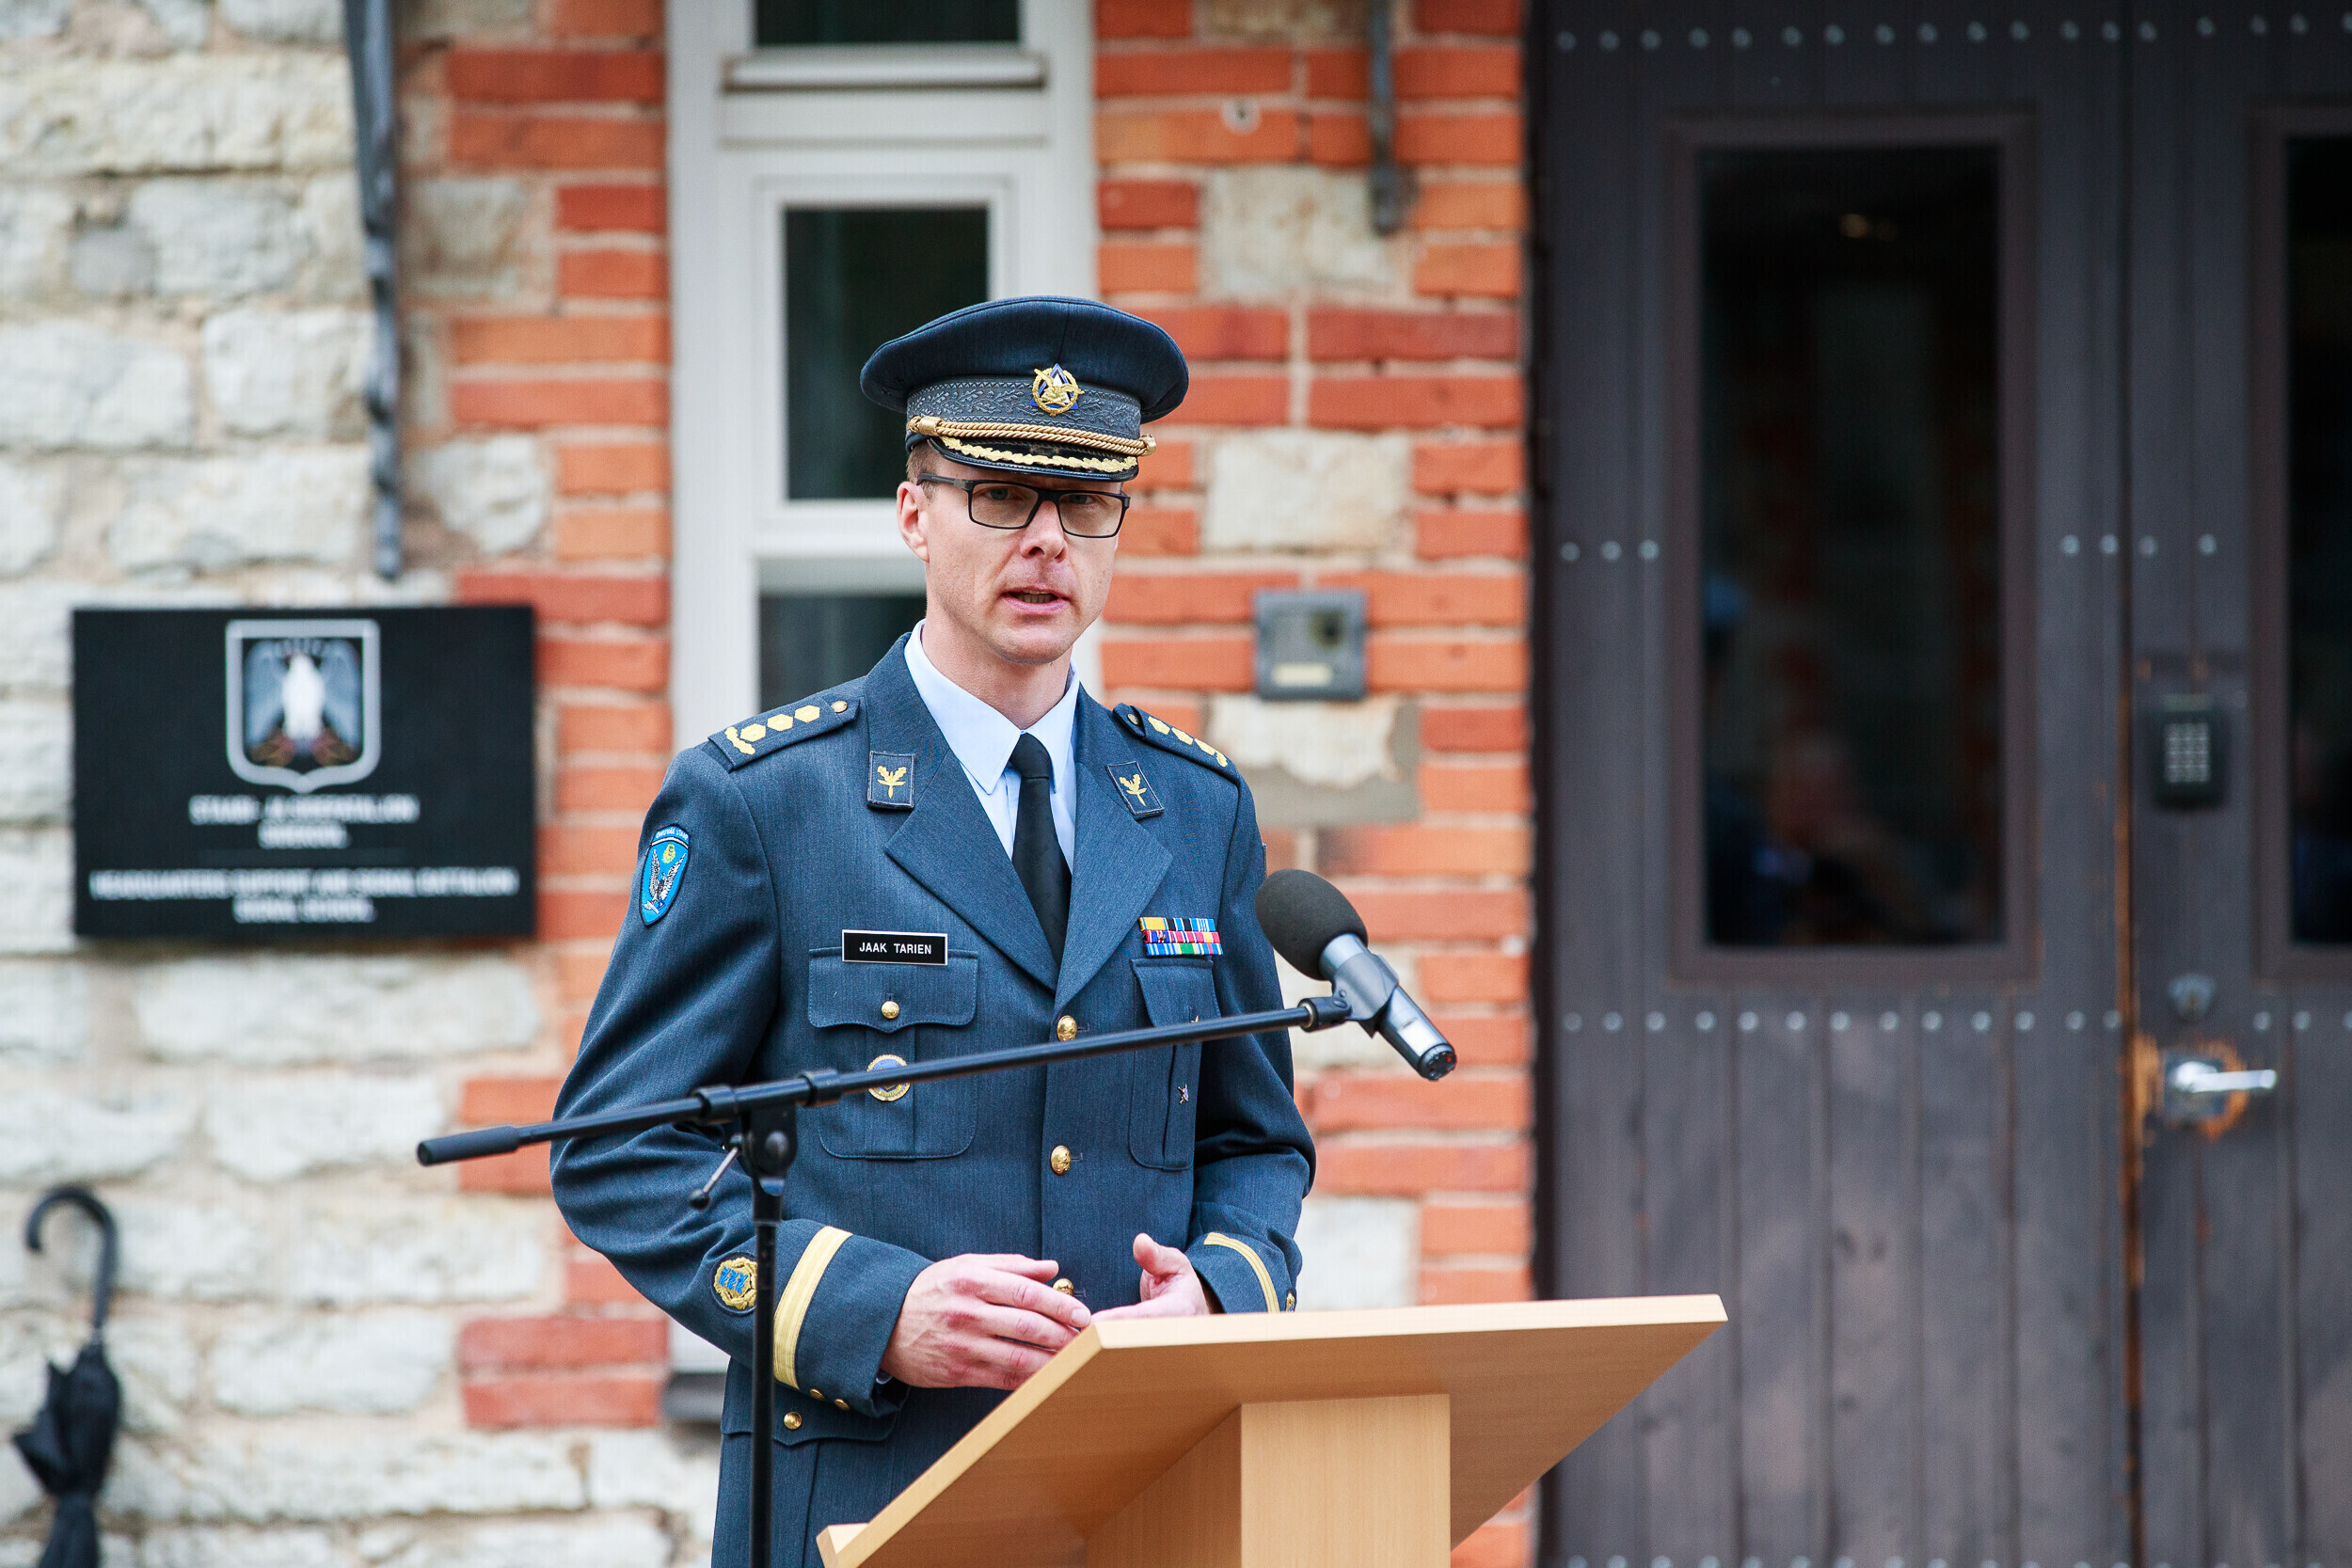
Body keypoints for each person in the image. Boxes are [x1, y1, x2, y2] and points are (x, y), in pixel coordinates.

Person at [550, 296, 1316, 1568]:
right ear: (913, 514)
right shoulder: (767, 804)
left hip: (1145, 1491)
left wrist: (1222, 1290)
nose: (1048, 543)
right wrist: (872, 1310)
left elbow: (1256, 1140)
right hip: (867, 1492)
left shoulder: (1195, 810)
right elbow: (619, 1147)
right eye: (1001, 498)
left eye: (1089, 504)